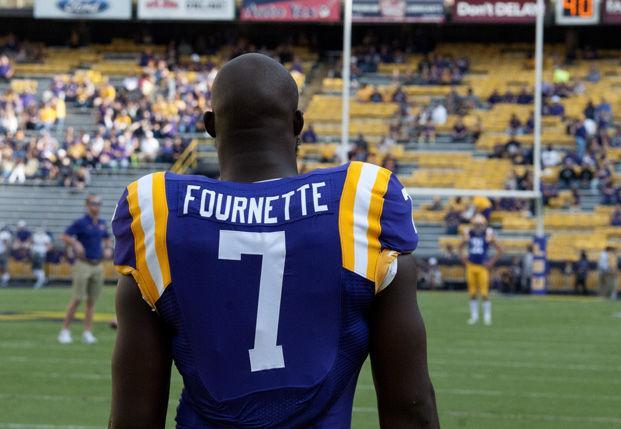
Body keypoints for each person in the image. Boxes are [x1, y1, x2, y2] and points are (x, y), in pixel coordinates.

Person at [110, 54, 438, 428]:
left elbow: (133, 418)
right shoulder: (362, 204)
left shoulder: (159, 211)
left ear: (210, 126)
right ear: (297, 123)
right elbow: (411, 409)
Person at [58, 194, 111, 344]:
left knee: (91, 301)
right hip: (83, 264)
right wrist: (75, 243)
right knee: (77, 299)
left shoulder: (101, 223)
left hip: (97, 264)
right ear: (87, 205)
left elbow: (106, 237)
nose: (97, 206)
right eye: (94, 203)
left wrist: (107, 247)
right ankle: (65, 330)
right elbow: (64, 236)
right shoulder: (81, 222)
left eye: (99, 203)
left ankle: (87, 332)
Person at [459, 214, 503, 325]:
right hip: (471, 266)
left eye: (480, 225)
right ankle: (474, 317)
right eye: (476, 225)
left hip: (482, 267)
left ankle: (487, 317)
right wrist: (464, 260)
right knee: (472, 293)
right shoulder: (469, 233)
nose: (478, 227)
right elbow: (460, 247)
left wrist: (491, 262)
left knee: (484, 293)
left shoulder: (488, 234)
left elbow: (500, 249)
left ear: (484, 225)